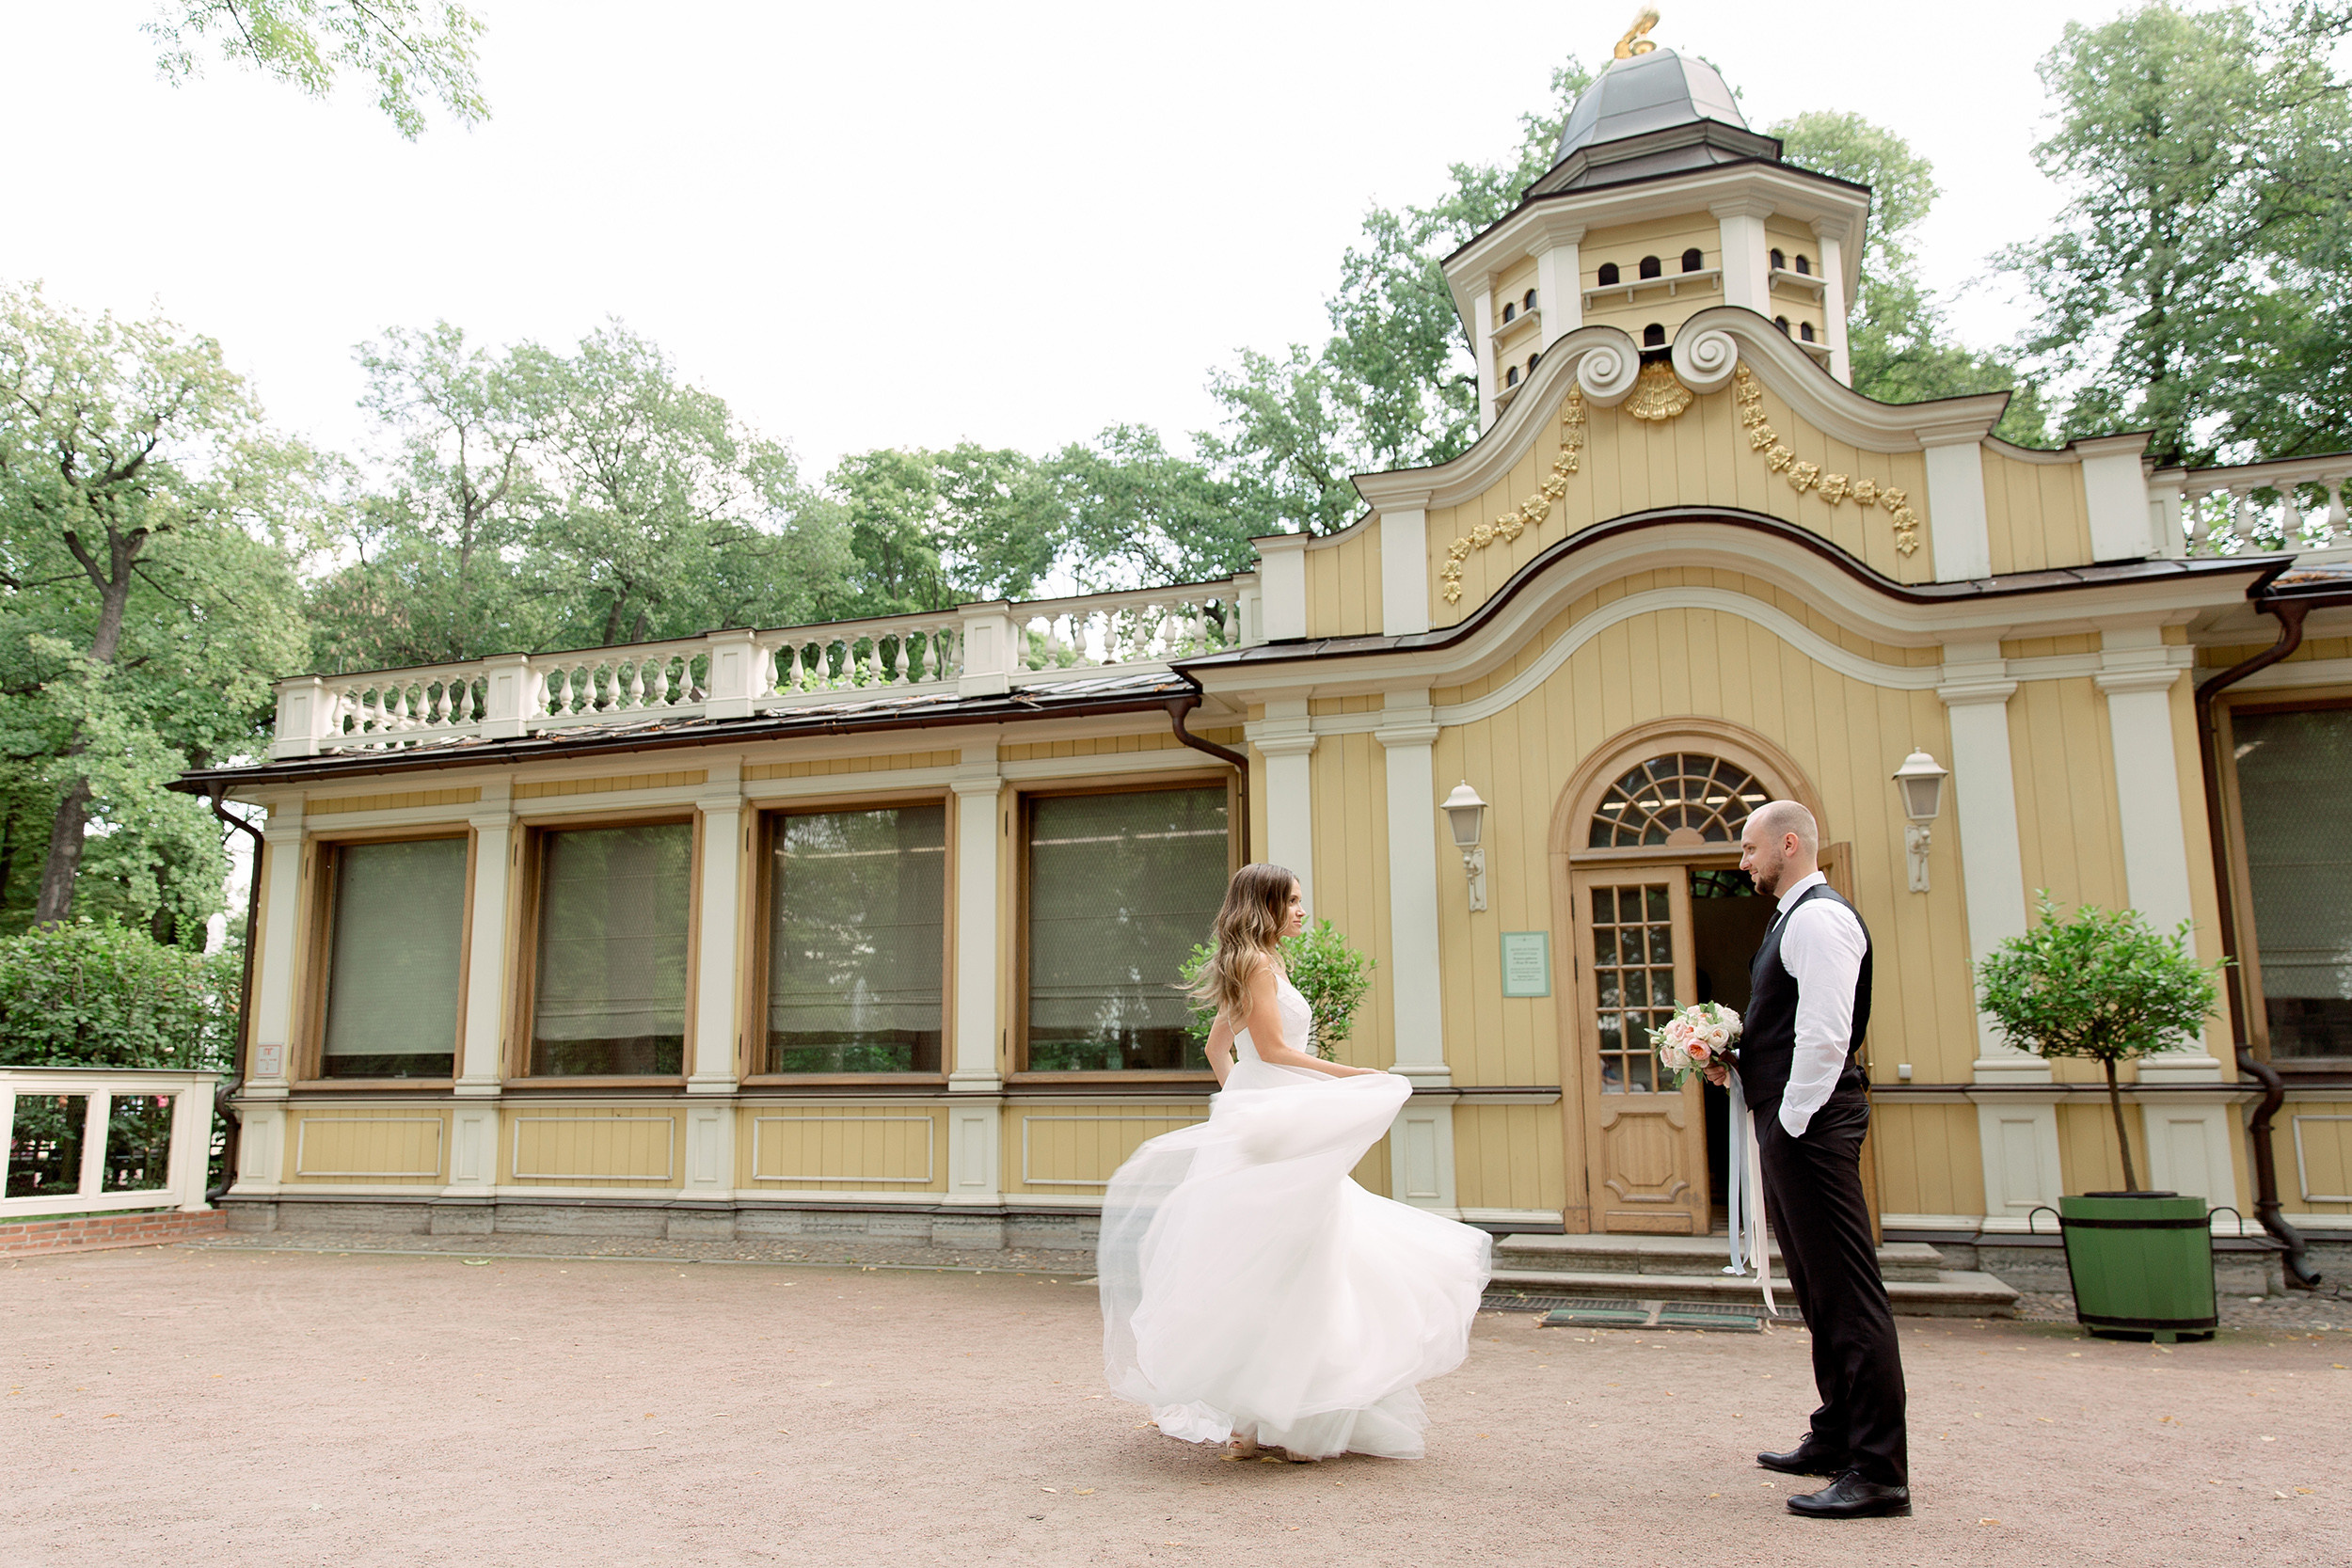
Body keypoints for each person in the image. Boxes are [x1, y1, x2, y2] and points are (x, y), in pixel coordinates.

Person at [1096, 863, 1492, 1461]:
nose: (1303, 911)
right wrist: (1348, 1075)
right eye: (1293, 901)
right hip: (1275, 1123)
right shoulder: (1257, 964)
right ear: (1266, 905)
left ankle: (1258, 1422)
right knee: (1292, 1256)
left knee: (1281, 1258)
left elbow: (1219, 1049)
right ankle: (1276, 1420)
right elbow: (1275, 1050)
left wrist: (1243, 1103)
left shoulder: (1261, 961)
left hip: (1272, 1120)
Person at [1708, 800, 1911, 1518]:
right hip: (1796, 1121)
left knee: (1848, 1293)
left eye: (1749, 848)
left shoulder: (1820, 918)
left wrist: (1790, 1122)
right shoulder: (1790, 918)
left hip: (1811, 1125)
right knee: (1819, 1289)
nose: (1743, 862)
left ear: (1788, 844)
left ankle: (1880, 1470)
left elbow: (1826, 1034)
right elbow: (1788, 1026)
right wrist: (1738, 1061)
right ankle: (1837, 1433)